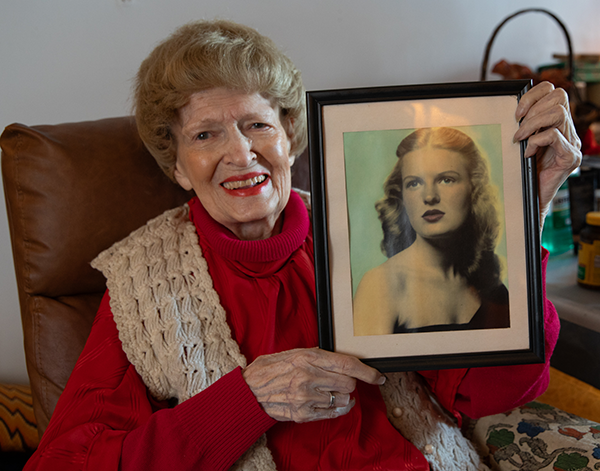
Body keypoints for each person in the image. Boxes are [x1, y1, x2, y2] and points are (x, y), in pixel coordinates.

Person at [23, 19, 580, 471]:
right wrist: (246, 401)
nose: (241, 155)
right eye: (204, 134)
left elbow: (489, 391)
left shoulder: (369, 240)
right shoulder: (142, 280)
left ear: (290, 137)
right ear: (177, 166)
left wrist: (524, 210)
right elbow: (70, 461)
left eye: (256, 125)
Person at [353, 127, 509, 336]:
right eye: (414, 183)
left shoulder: (493, 287)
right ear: (402, 196)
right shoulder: (381, 286)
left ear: (474, 189)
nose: (429, 196)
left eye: (446, 179)